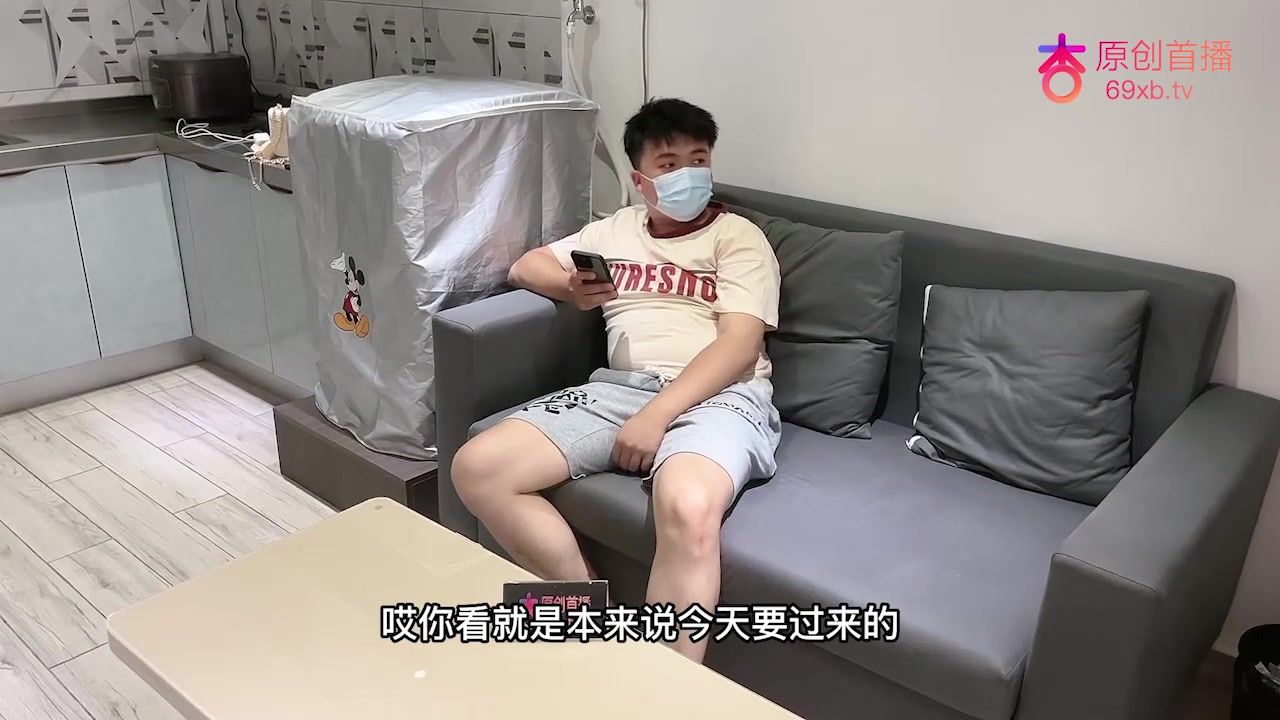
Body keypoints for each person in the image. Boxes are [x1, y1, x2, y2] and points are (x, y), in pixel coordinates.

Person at [452, 98, 781, 663]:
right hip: (617, 390)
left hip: (722, 395)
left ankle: (660, 688)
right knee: (477, 467)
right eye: (669, 164)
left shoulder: (738, 237)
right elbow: (526, 265)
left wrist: (657, 415)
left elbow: (739, 344)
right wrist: (570, 289)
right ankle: (589, 621)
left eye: (698, 160)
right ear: (639, 179)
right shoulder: (613, 231)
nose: (687, 174)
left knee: (688, 505)